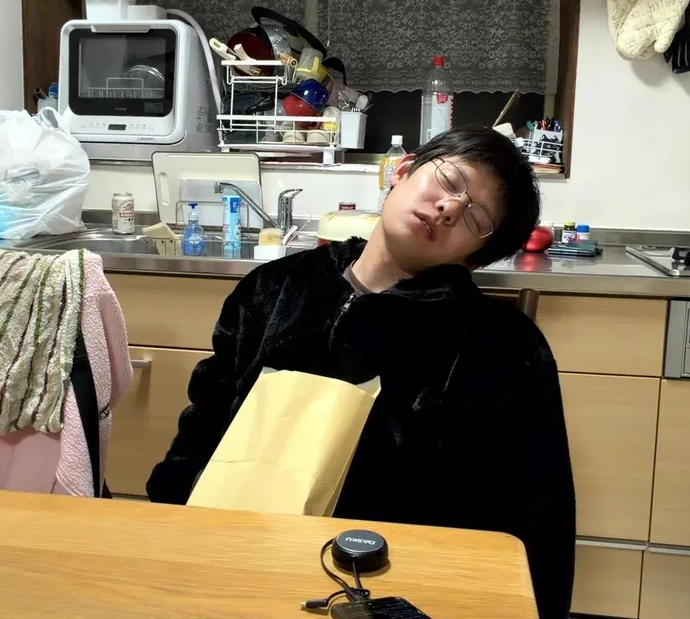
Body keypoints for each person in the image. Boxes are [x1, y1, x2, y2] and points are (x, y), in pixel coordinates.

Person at [146, 126, 575, 617]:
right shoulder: (275, 287)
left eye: (475, 217)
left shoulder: (501, 345)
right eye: (449, 181)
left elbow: (539, 514)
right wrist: (170, 524)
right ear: (403, 171)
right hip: (235, 560)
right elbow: (205, 421)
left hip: (390, 588)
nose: (449, 208)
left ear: (474, 257)